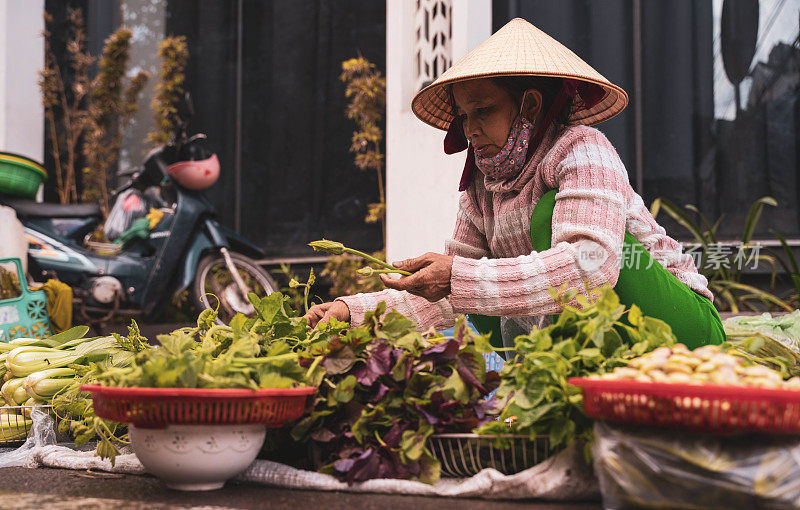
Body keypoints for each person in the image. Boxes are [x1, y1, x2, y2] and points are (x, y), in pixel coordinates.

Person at [305, 18, 725, 349]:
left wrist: (458, 278)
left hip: (683, 329)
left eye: (483, 111)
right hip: (595, 339)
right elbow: (446, 295)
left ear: (530, 104)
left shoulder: (582, 148)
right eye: (464, 116)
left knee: (536, 226)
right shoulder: (479, 189)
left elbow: (591, 268)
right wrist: (350, 311)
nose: (470, 130)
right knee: (470, 292)